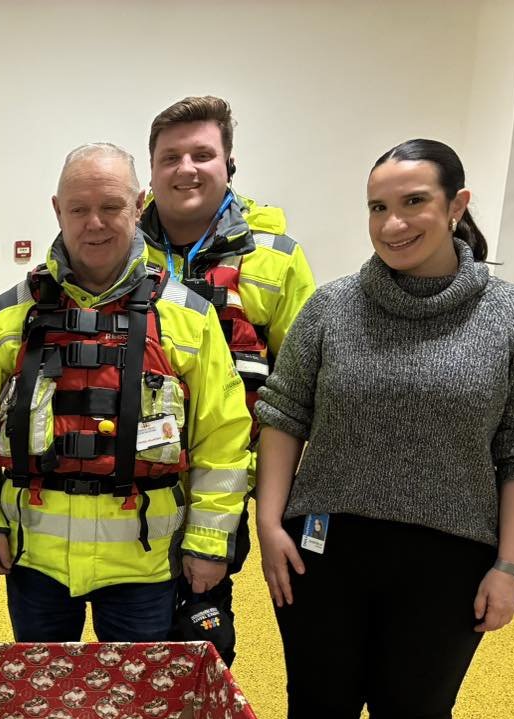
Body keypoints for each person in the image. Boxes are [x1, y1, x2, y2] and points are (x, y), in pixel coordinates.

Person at [256, 139, 514, 719]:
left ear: (457, 206)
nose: (393, 223)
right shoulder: (331, 306)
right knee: (321, 702)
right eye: (377, 207)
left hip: (451, 552)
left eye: (413, 203)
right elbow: (284, 414)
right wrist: (269, 520)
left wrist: (511, 566)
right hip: (326, 543)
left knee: (415, 709)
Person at [0, 143, 250, 643]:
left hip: (143, 564)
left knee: (139, 710)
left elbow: (222, 441)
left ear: (139, 205)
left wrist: (207, 542)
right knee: (45, 703)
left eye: (111, 206)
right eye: (78, 208)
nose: (94, 222)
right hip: (35, 560)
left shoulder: (189, 317)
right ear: (57, 210)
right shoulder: (8, 317)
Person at [141, 96, 316, 665]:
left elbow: (299, 390)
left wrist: (269, 500)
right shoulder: (116, 249)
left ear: (229, 163)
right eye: (170, 156)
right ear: (151, 169)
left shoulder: (278, 260)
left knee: (203, 618)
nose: (185, 168)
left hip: (227, 478)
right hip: (131, 480)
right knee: (133, 622)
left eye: (202, 154)